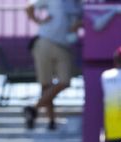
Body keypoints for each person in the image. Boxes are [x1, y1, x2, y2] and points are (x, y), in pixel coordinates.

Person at [24, 0, 83, 130]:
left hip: (64, 47)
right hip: (45, 41)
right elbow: (29, 7)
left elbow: (81, 22)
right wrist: (38, 21)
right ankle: (51, 122)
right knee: (46, 85)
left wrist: (78, 25)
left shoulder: (80, 5)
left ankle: (33, 108)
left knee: (65, 82)